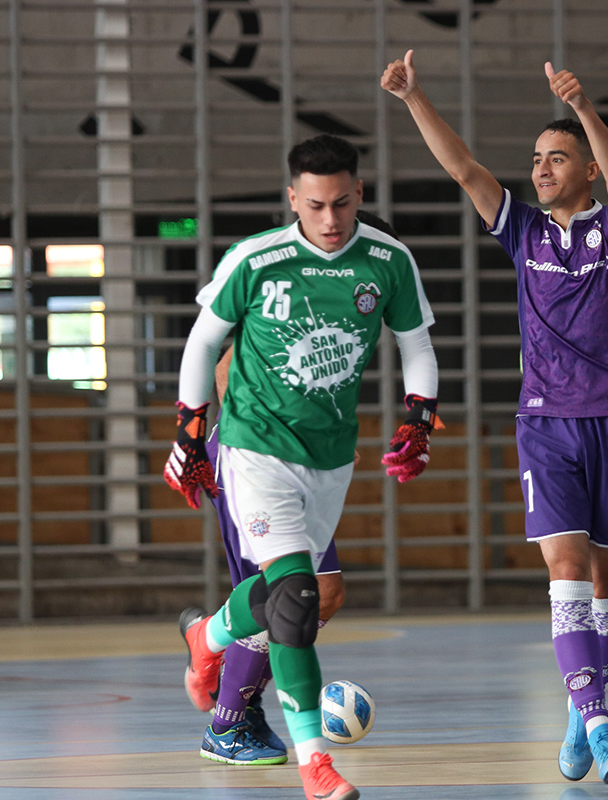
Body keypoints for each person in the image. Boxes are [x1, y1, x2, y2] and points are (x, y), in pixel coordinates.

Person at [382, 51, 608, 784]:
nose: (540, 169)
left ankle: (577, 710)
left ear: (586, 169)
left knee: (606, 582)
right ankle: (597, 721)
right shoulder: (523, 231)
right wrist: (414, 98)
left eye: (556, 158)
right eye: (535, 158)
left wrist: (587, 112)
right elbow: (466, 169)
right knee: (565, 570)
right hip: (545, 425)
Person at [164, 133, 440, 800]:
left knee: (289, 597)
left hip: (330, 459)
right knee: (296, 599)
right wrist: (189, 435)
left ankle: (208, 634)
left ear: (359, 194)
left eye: (342, 203)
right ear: (293, 198)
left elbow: (418, 347)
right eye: (314, 204)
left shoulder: (387, 261)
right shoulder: (256, 259)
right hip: (254, 449)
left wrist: (419, 416)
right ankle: (315, 765)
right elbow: (202, 343)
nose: (329, 218)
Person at [190, 209, 406, 768]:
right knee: (308, 593)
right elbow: (224, 370)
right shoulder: (283, 279)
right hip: (256, 455)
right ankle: (228, 719)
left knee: (289, 599)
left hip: (300, 455)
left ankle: (227, 681)